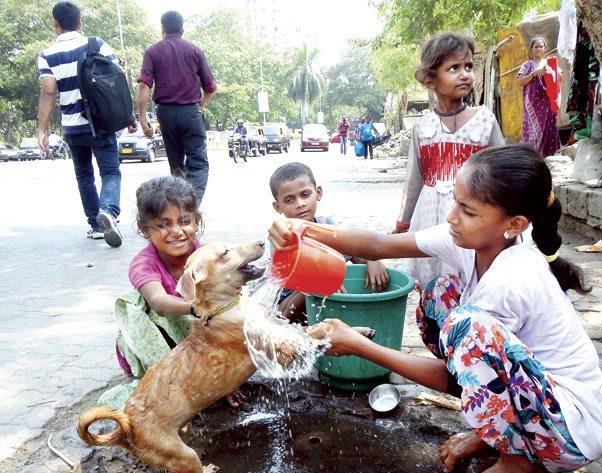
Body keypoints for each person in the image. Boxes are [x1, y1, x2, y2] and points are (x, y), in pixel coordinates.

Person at [269, 144, 602, 473]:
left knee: (468, 327)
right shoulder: (480, 238)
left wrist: (359, 345)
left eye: (467, 210)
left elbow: (458, 381)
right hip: (540, 405)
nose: (451, 217)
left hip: (568, 434)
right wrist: (302, 230)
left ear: (514, 225)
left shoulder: (512, 277)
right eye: (455, 202)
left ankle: (522, 470)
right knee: (439, 296)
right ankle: (498, 435)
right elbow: (379, 243)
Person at [100, 176, 244, 410]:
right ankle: (184, 379)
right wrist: (200, 306)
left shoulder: (205, 254)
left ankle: (215, 377)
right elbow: (159, 302)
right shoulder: (144, 263)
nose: (176, 231)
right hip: (159, 337)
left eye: (184, 221)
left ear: (196, 222)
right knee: (165, 396)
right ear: (145, 230)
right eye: (163, 224)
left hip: (196, 334)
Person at [395, 33, 504, 288]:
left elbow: (503, 171)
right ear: (432, 79)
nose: (465, 74)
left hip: (472, 214)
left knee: (469, 279)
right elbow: (415, 180)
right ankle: (433, 328)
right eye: (453, 68)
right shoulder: (423, 127)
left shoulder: (484, 120)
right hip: (430, 214)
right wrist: (403, 224)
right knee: (432, 284)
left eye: (468, 67)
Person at [37, 1, 132, 247]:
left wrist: (42, 130)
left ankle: (95, 224)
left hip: (71, 126)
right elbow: (117, 79)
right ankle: (108, 211)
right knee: (110, 171)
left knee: (84, 175)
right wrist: (128, 115)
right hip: (101, 123)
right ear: (80, 23)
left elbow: (48, 92)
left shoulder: (47, 55)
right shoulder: (96, 44)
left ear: (55, 24)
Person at [268, 162, 389, 323]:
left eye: (305, 195)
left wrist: (372, 259)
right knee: (299, 298)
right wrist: (322, 282)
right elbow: (299, 277)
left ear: (318, 193)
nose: (300, 204)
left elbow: (353, 252)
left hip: (326, 300)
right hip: (290, 305)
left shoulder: (327, 225)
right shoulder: (282, 235)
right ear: (278, 207)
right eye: (290, 200)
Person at [137, 10, 216, 205]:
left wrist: (142, 118)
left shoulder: (153, 52)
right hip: (190, 112)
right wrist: (201, 104)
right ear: (182, 29)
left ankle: (180, 206)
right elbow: (210, 87)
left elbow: (144, 85)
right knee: (198, 164)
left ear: (162, 29)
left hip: (165, 113)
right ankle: (191, 206)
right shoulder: (194, 50)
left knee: (176, 165)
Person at [518, 37, 561, 157]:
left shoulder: (550, 63)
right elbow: (520, 81)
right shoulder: (527, 65)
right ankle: (533, 157)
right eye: (535, 46)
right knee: (532, 130)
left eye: (541, 46)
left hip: (548, 102)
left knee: (549, 128)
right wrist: (534, 73)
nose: (538, 49)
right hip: (532, 103)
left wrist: (553, 72)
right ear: (531, 49)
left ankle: (549, 157)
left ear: (545, 48)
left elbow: (560, 78)